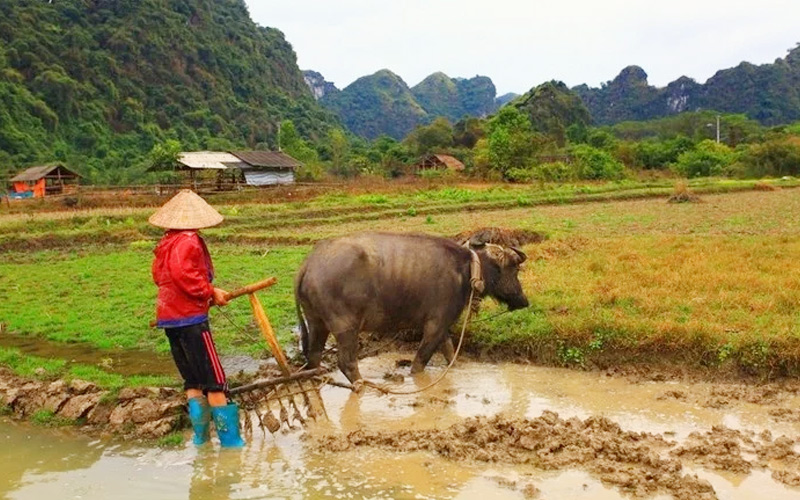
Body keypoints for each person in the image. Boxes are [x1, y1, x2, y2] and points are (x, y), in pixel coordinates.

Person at [149, 189, 245, 448]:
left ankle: (201, 441)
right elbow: (184, 274)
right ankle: (231, 444)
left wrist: (206, 294)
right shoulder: (189, 241)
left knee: (193, 380)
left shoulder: (166, 243)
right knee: (214, 381)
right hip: (191, 319)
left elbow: (160, 278)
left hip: (169, 318)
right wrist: (209, 291)